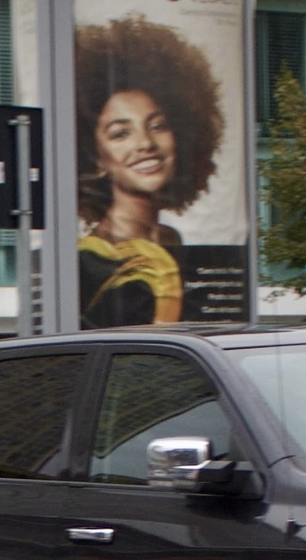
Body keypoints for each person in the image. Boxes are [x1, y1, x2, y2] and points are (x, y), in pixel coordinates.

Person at [73, 16, 225, 329]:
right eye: (120, 134)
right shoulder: (88, 262)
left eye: (157, 126)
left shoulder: (171, 240)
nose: (146, 144)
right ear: (95, 157)